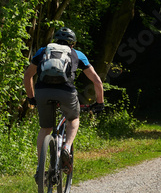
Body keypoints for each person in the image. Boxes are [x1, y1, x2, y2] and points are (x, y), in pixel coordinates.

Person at [23, 27, 104, 181]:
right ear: (72, 44)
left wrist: (31, 98)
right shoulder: (77, 54)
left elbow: (28, 76)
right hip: (66, 92)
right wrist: (99, 103)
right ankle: (66, 146)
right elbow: (97, 81)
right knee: (73, 118)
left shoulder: (42, 51)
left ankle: (40, 168)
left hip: (43, 91)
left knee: (45, 128)